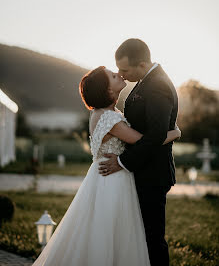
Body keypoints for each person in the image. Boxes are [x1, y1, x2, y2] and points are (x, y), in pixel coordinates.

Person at [32, 65, 180, 266]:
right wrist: (174, 133)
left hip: (103, 176)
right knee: (112, 234)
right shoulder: (109, 118)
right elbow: (143, 140)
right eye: (112, 75)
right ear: (108, 90)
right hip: (113, 180)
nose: (119, 73)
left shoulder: (105, 113)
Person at [98, 38, 179, 266]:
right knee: (139, 238)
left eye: (124, 70)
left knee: (152, 239)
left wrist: (122, 161)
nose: (121, 74)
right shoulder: (145, 81)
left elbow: (155, 134)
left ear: (142, 65)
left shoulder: (158, 85)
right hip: (142, 172)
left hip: (152, 174)